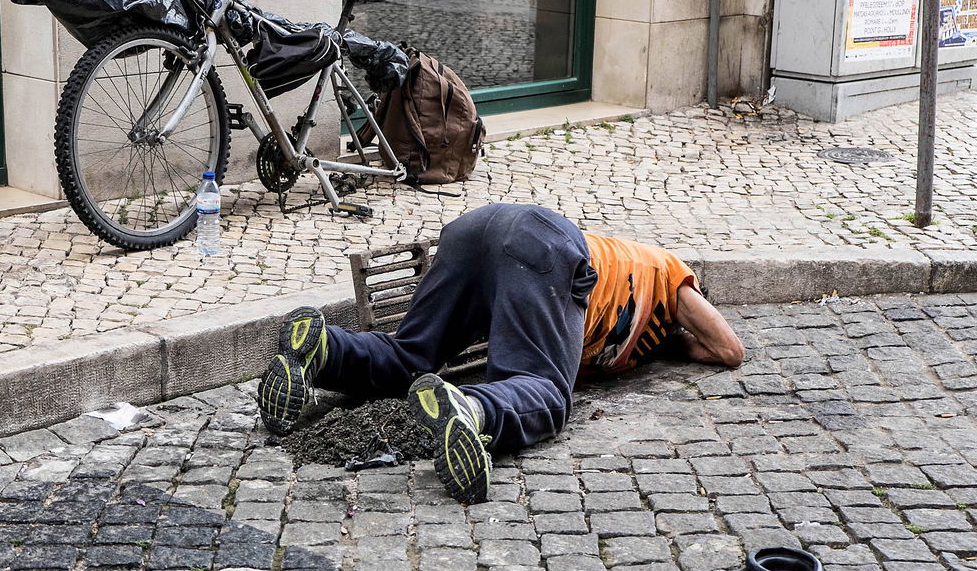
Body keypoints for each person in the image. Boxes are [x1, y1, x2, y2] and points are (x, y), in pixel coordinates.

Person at [257, 203, 743, 504]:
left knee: (411, 356)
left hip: (476, 228)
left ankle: (322, 349)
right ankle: (471, 408)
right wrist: (680, 337)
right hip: (543, 244)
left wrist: (659, 346)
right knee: (548, 392)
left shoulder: (639, 324)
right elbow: (729, 349)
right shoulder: (667, 275)